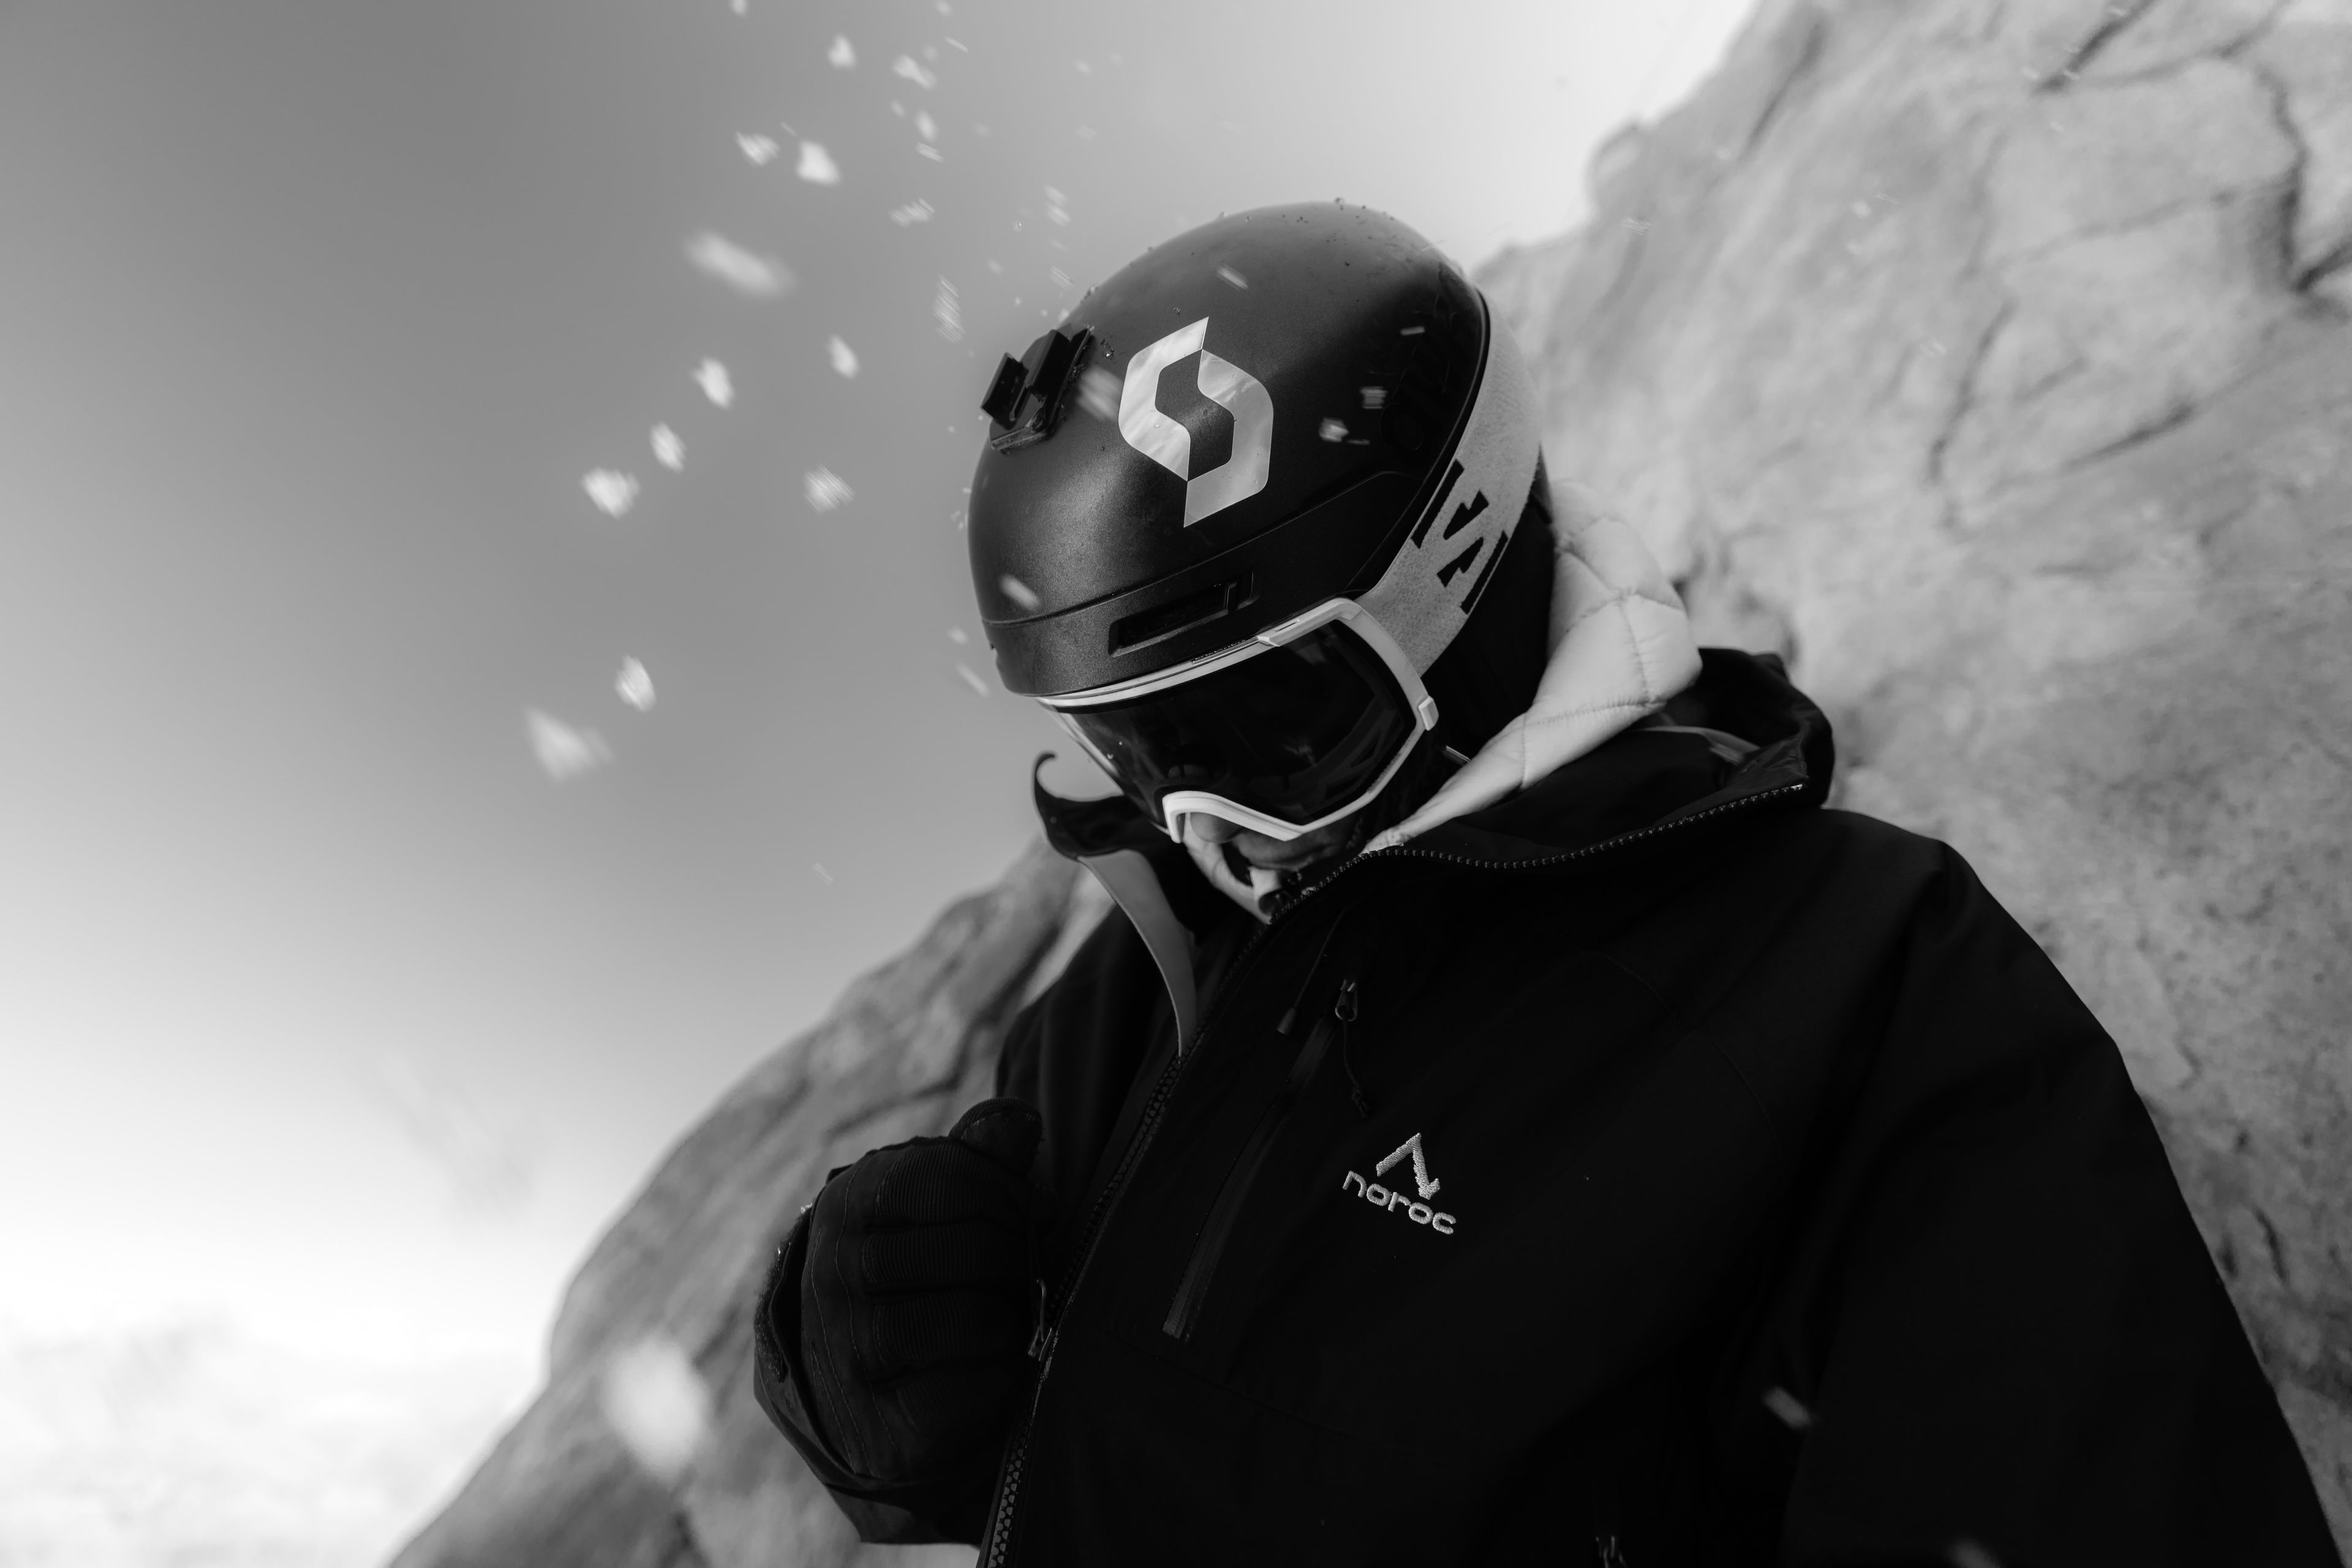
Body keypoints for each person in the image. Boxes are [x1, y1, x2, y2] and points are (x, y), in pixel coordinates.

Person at [750, 203, 2340, 1566]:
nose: (1203, 822)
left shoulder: (1855, 986)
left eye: (1271, 724)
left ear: (1459, 577)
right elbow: (1018, 1454)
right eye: (1137, 744)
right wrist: (862, 1374)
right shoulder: (1139, 984)